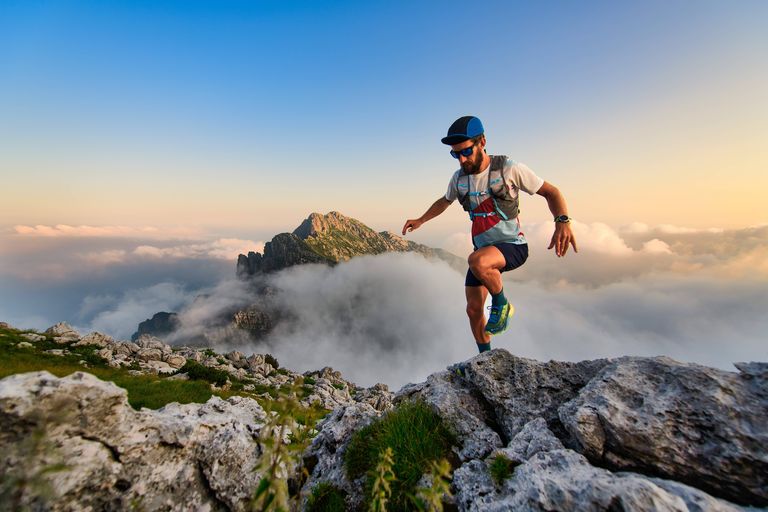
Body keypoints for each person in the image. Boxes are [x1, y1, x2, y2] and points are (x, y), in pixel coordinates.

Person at [402, 116, 577, 353]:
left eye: (466, 151)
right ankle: (485, 357)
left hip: (513, 246)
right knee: (473, 310)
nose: (462, 159)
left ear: (482, 141)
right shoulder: (459, 178)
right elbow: (445, 201)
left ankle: (502, 303)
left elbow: (551, 192)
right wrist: (421, 220)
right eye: (456, 155)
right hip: (484, 253)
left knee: (477, 261)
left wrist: (562, 221)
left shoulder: (509, 168)